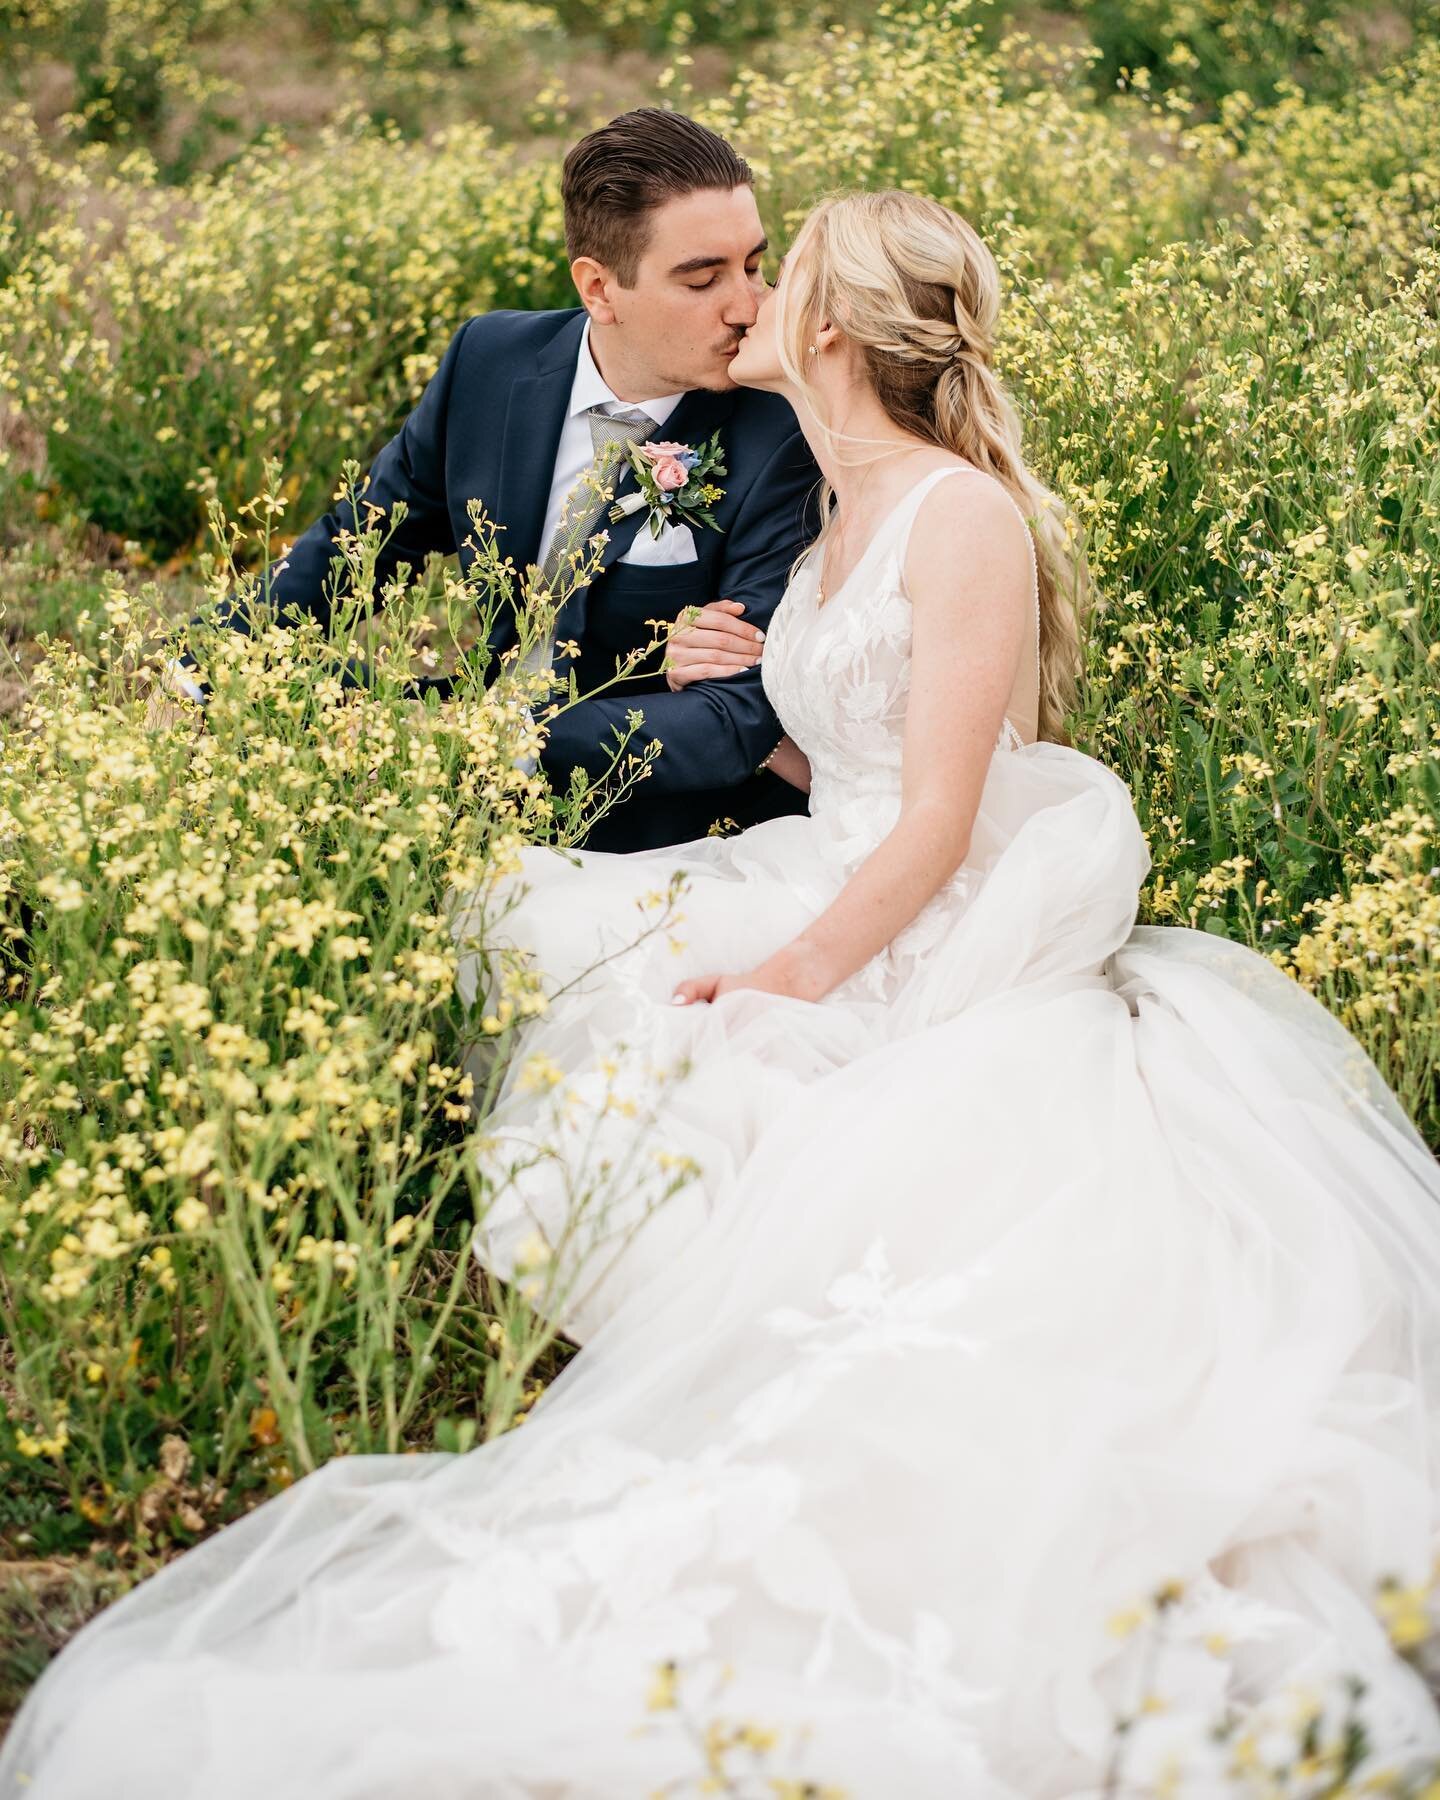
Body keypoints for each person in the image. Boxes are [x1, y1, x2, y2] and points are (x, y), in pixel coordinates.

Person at [7, 188, 1440, 1799]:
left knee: (700, 1045)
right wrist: (745, 711)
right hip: (826, 855)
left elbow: (945, 815)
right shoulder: (841, 503)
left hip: (900, 904)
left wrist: (792, 976)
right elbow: (846, 747)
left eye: (777, 271)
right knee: (536, 933)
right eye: (725, 270)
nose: (749, 295)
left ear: (826, 329)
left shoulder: (957, 516)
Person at [155, 108, 821, 854]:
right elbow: (362, 542)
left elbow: (736, 716)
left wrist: (495, 744)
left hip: (647, 811)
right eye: (703, 279)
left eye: (755, 265)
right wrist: (203, 653)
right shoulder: (491, 359)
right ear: (599, 290)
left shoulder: (781, 430)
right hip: (471, 725)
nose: (749, 306)